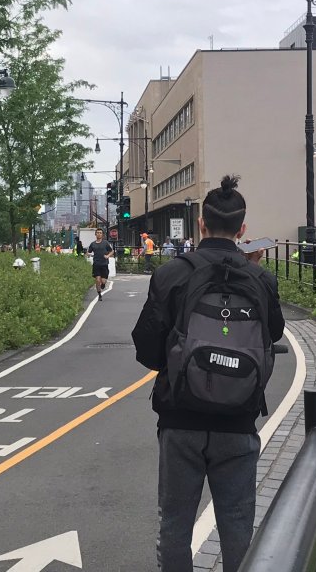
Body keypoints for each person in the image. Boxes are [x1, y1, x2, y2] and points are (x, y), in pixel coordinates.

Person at [132, 175, 285, 572]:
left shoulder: (171, 274)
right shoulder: (261, 279)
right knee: (237, 527)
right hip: (238, 421)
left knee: (176, 525)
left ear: (201, 224)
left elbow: (146, 350)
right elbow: (274, 334)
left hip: (180, 418)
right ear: (243, 230)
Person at [87, 228, 114, 302]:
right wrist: (87, 254)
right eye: (97, 233)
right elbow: (89, 252)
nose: (99, 234)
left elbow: (112, 251)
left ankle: (103, 284)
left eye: (100, 233)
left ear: (102, 235)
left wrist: (108, 256)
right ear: (95, 234)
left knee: (103, 281)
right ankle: (99, 294)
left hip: (104, 264)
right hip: (96, 264)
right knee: (97, 280)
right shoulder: (93, 244)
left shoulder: (105, 243)